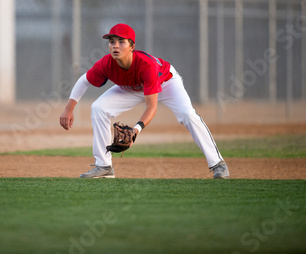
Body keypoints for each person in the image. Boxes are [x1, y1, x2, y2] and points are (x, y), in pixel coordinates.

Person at [59, 23, 229, 179]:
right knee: (98, 108)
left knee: (187, 114)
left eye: (121, 41)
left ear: (132, 46)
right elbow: (84, 80)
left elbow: (152, 106)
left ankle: (218, 164)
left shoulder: (146, 65)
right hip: (132, 88)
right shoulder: (106, 64)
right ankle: (104, 166)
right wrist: (68, 109)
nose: (115, 45)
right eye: (111, 41)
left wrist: (135, 130)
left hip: (166, 83)